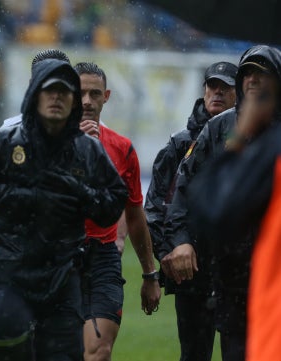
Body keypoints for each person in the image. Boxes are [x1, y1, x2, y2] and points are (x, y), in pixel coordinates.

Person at [0, 58, 128, 361]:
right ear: (35, 95)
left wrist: (79, 193)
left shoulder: (88, 150)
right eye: (49, 91)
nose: (57, 98)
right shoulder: (5, 141)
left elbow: (115, 201)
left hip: (63, 277)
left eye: (65, 93)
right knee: (2, 352)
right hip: (9, 272)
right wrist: (28, 197)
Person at [165, 44, 281, 361]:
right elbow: (188, 189)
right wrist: (181, 240)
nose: (254, 81)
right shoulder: (219, 128)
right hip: (233, 282)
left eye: (263, 74)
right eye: (248, 74)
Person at [144, 60, 237, 361]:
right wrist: (167, 254)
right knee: (194, 355)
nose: (218, 93)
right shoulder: (179, 144)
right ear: (204, 89)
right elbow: (155, 206)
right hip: (192, 270)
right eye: (213, 86)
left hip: (236, 266)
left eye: (226, 88)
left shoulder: (252, 140)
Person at [73, 62, 160, 361]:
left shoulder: (122, 149)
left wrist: (150, 274)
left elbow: (135, 215)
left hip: (102, 258)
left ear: (106, 96)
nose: (86, 101)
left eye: (94, 94)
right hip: (56, 258)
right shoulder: (46, 144)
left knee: (97, 352)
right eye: (80, 92)